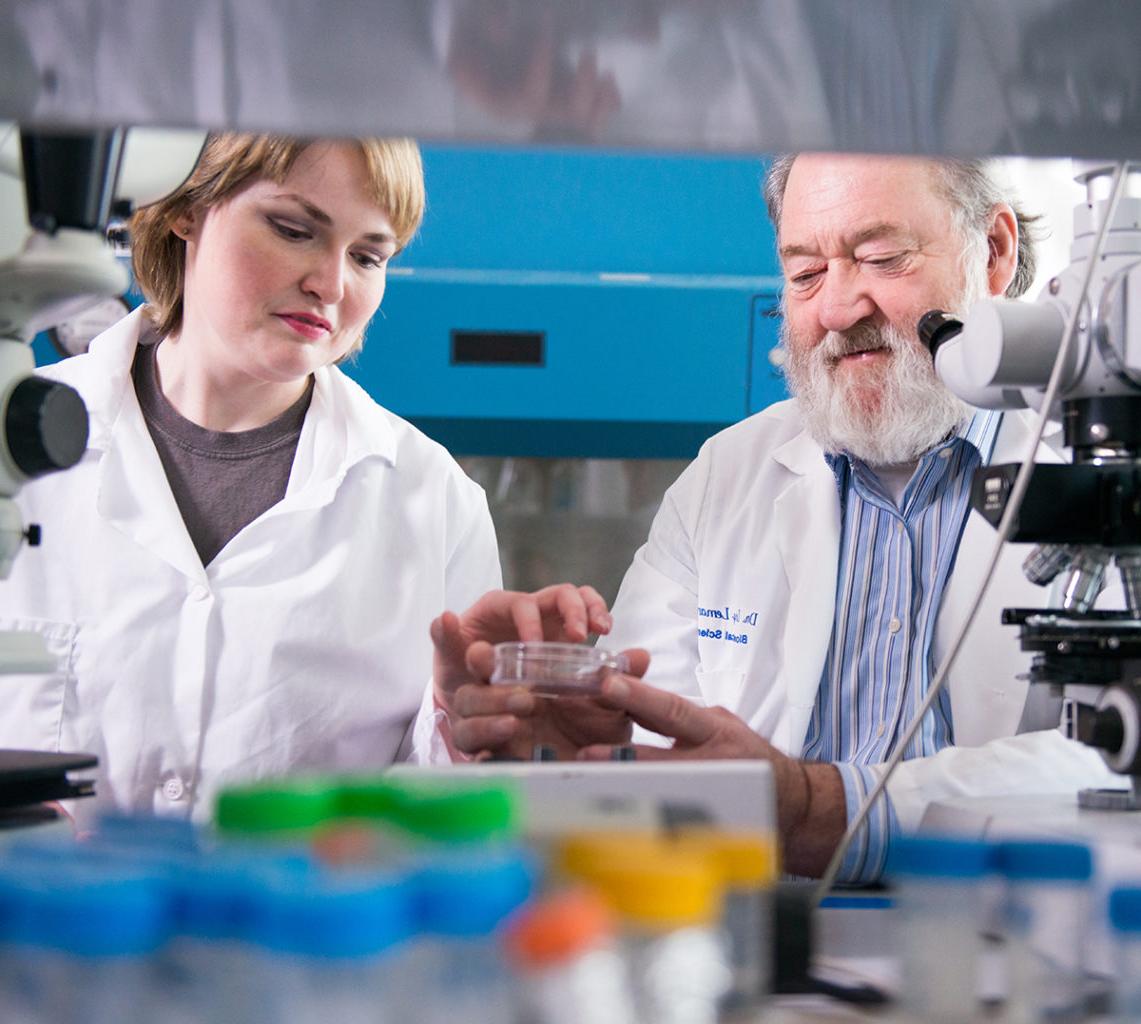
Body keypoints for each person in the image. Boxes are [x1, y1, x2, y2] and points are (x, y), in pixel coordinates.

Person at [429, 152, 1122, 881]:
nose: (837, 309)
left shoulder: (1103, 468)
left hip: (1015, 936)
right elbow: (664, 748)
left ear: (993, 253)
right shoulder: (726, 477)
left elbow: (1114, 764)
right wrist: (594, 757)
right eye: (804, 273)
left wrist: (821, 808)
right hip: (759, 941)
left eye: (881, 258)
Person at [0, 132, 529, 827]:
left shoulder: (430, 499)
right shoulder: (19, 444)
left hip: (297, 929)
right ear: (188, 207)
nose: (331, 285)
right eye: (293, 229)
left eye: (368, 256)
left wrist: (472, 733)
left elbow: (440, 801)